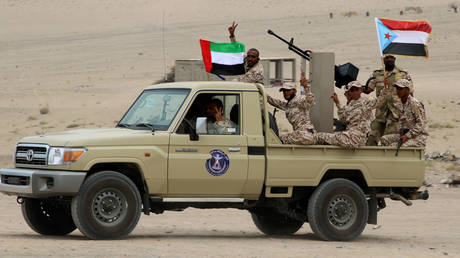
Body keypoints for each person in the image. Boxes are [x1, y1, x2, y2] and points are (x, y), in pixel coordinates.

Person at [316, 81, 387, 149]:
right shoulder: (349, 106)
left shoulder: (366, 102)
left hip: (358, 137)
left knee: (320, 136)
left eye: (357, 89)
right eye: (352, 90)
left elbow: (380, 101)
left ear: (361, 90)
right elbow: (343, 119)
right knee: (321, 136)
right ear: (349, 92)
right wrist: (337, 103)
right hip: (350, 135)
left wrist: (386, 87)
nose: (355, 92)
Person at [364, 54, 413, 145]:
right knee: (371, 138)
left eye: (391, 57)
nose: (389, 59)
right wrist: (356, 88)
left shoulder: (402, 74)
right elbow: (368, 90)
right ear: (383, 59)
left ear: (395, 59)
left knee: (388, 141)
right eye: (387, 57)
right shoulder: (377, 74)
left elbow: (410, 94)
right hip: (380, 114)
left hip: (396, 115)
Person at [266, 72, 316, 144]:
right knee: (277, 139)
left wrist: (305, 87)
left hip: (305, 134)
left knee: (277, 141)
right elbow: (273, 101)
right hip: (299, 135)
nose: (286, 93)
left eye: (288, 90)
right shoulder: (288, 105)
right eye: (284, 91)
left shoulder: (299, 100)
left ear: (294, 91)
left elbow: (310, 102)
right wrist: (260, 91)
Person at [380, 79, 428, 147]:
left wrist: (407, 136)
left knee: (395, 146)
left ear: (407, 90)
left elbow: (421, 124)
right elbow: (401, 121)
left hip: (418, 137)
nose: (398, 91)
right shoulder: (399, 104)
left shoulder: (415, 104)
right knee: (384, 139)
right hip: (404, 134)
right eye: (397, 88)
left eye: (400, 89)